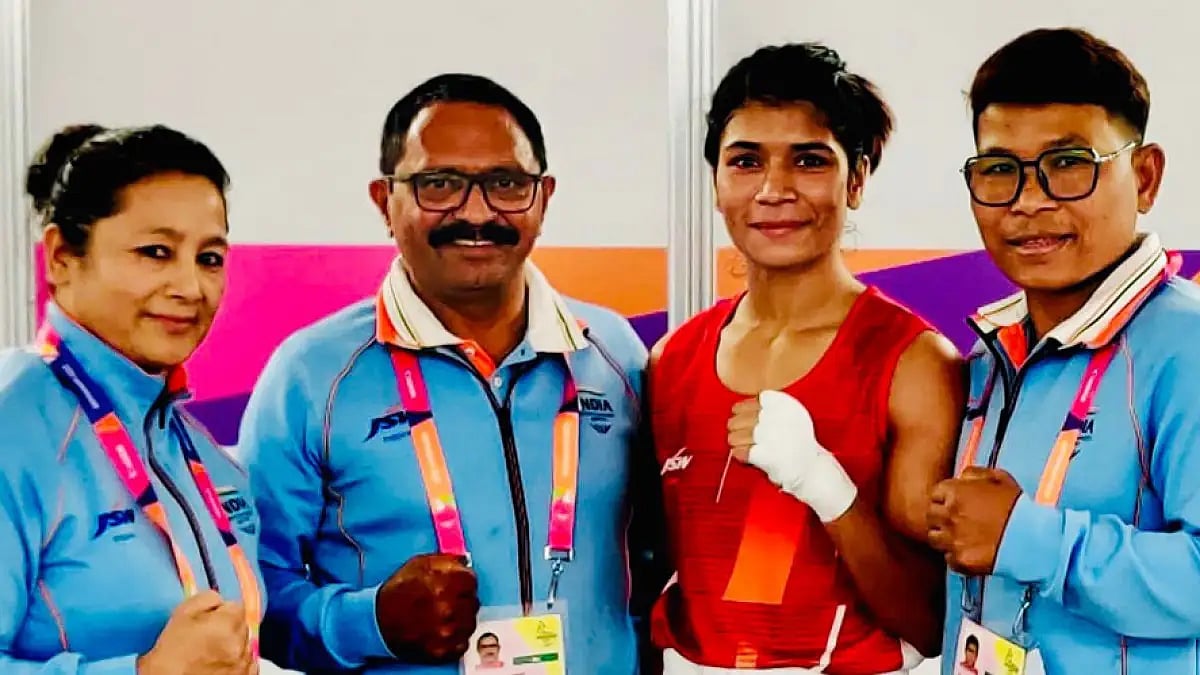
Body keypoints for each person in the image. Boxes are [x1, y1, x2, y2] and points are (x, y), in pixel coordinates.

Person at [239, 73, 648, 674]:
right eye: (440, 185)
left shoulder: (613, 354)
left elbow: (662, 555)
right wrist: (370, 620)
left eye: (506, 183)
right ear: (385, 201)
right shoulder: (310, 376)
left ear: (543, 196)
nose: (476, 213)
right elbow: (250, 595)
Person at [645, 43, 964, 674]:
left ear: (857, 180)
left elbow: (929, 621)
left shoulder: (912, 362)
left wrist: (826, 486)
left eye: (809, 160)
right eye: (745, 161)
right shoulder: (671, 360)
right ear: (715, 183)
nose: (773, 189)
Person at [927, 27, 1200, 675]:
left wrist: (1027, 538)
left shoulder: (1184, 345)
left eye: (1070, 163)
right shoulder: (989, 354)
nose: (1029, 200)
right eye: (999, 170)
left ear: (1145, 174)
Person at [0, 123, 263, 674]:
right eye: (155, 252)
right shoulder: (15, 424)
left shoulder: (200, 450)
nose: (190, 287)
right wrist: (141, 673)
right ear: (62, 257)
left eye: (209, 258)